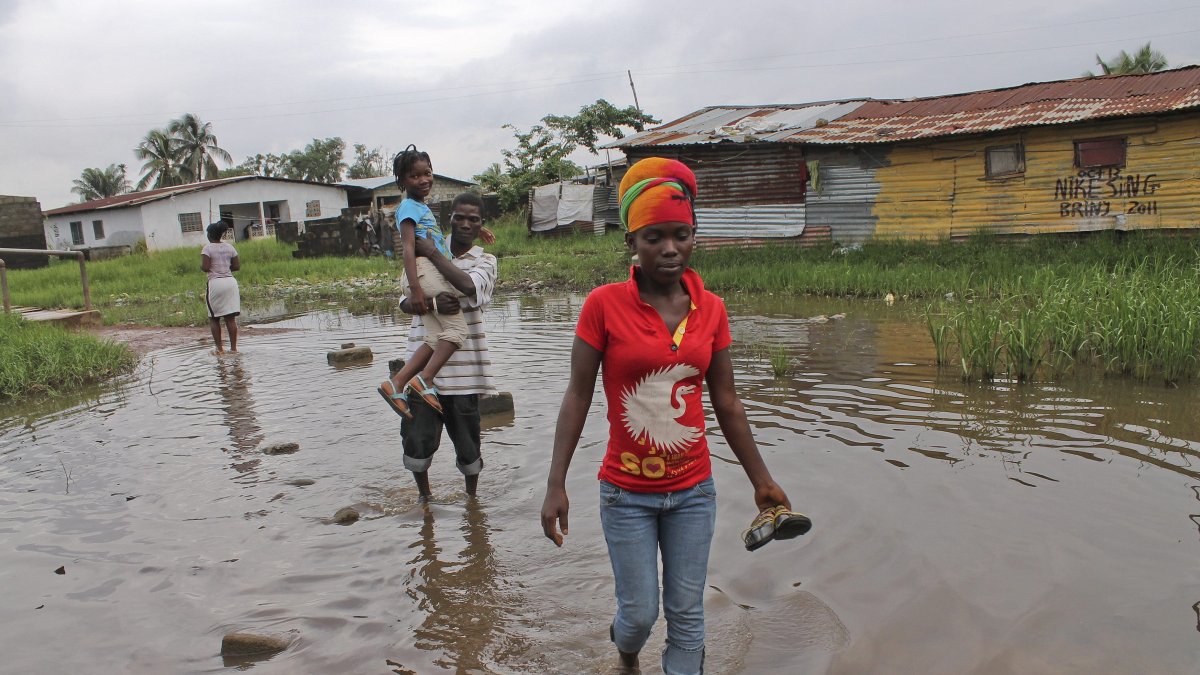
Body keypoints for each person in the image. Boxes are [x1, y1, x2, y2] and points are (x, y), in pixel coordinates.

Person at [539, 158, 805, 675]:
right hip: (626, 493)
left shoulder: (712, 310)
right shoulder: (603, 304)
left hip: (693, 492)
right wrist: (556, 484)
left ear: (694, 236)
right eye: (654, 237)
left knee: (687, 615)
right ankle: (626, 655)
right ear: (631, 242)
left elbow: (727, 401)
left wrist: (762, 480)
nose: (669, 249)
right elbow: (577, 395)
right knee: (638, 615)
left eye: (681, 235)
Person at [396, 192, 497, 502]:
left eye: (474, 219)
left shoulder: (485, 260)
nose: (466, 224)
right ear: (449, 219)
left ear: (481, 225)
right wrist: (428, 302)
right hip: (423, 372)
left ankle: (472, 502)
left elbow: (469, 287)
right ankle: (425, 499)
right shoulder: (424, 254)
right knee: (417, 441)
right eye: (460, 218)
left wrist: (432, 253)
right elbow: (404, 302)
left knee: (469, 447)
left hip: (465, 376)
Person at [378, 145, 471, 420]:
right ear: (403, 181)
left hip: (426, 272)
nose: (423, 180)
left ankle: (396, 383)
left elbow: (439, 240)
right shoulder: (408, 206)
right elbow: (407, 247)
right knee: (456, 330)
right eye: (415, 176)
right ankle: (425, 380)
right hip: (423, 272)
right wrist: (416, 289)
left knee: (433, 337)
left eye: (427, 173)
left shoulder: (421, 207)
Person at [201, 219, 241, 354]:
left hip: (215, 283)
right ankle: (234, 349)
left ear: (210, 235)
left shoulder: (207, 248)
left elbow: (206, 267)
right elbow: (236, 266)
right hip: (231, 282)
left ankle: (219, 349)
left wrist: (204, 266)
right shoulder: (230, 247)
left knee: (214, 318)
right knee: (230, 318)